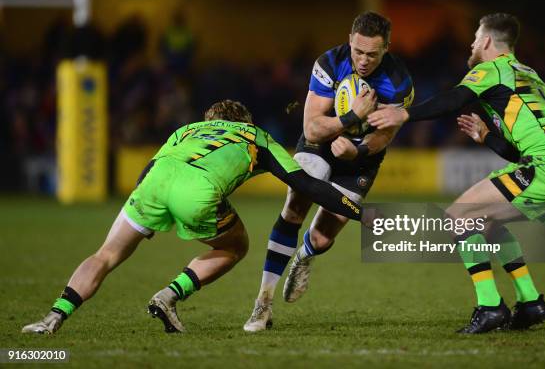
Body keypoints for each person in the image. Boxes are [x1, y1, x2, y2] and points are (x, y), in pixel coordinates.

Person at [22, 100, 364, 335]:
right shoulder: (256, 136)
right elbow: (306, 185)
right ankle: (169, 296)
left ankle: (52, 318)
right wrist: (360, 212)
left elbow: (150, 167)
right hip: (196, 192)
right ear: (244, 121)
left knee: (107, 253)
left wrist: (147, 214)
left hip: (153, 184)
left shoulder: (186, 130)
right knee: (236, 246)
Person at [368, 13, 545, 334]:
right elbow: (517, 151)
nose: (471, 44)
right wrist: (486, 137)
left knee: (458, 216)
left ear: (486, 41)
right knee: (487, 223)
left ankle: (490, 307)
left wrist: (403, 114)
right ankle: (530, 302)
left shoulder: (491, 69)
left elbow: (454, 99)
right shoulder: (529, 76)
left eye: (474, 38)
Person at [244, 11, 415, 332]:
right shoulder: (329, 63)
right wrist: (351, 118)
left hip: (361, 157)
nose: (363, 60)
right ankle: (263, 303)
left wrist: (359, 149)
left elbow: (385, 134)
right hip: (320, 144)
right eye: (358, 51)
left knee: (322, 237)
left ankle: (304, 256)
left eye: (372, 54)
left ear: (387, 49)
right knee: (295, 205)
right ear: (350, 41)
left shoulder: (398, 81)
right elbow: (311, 127)